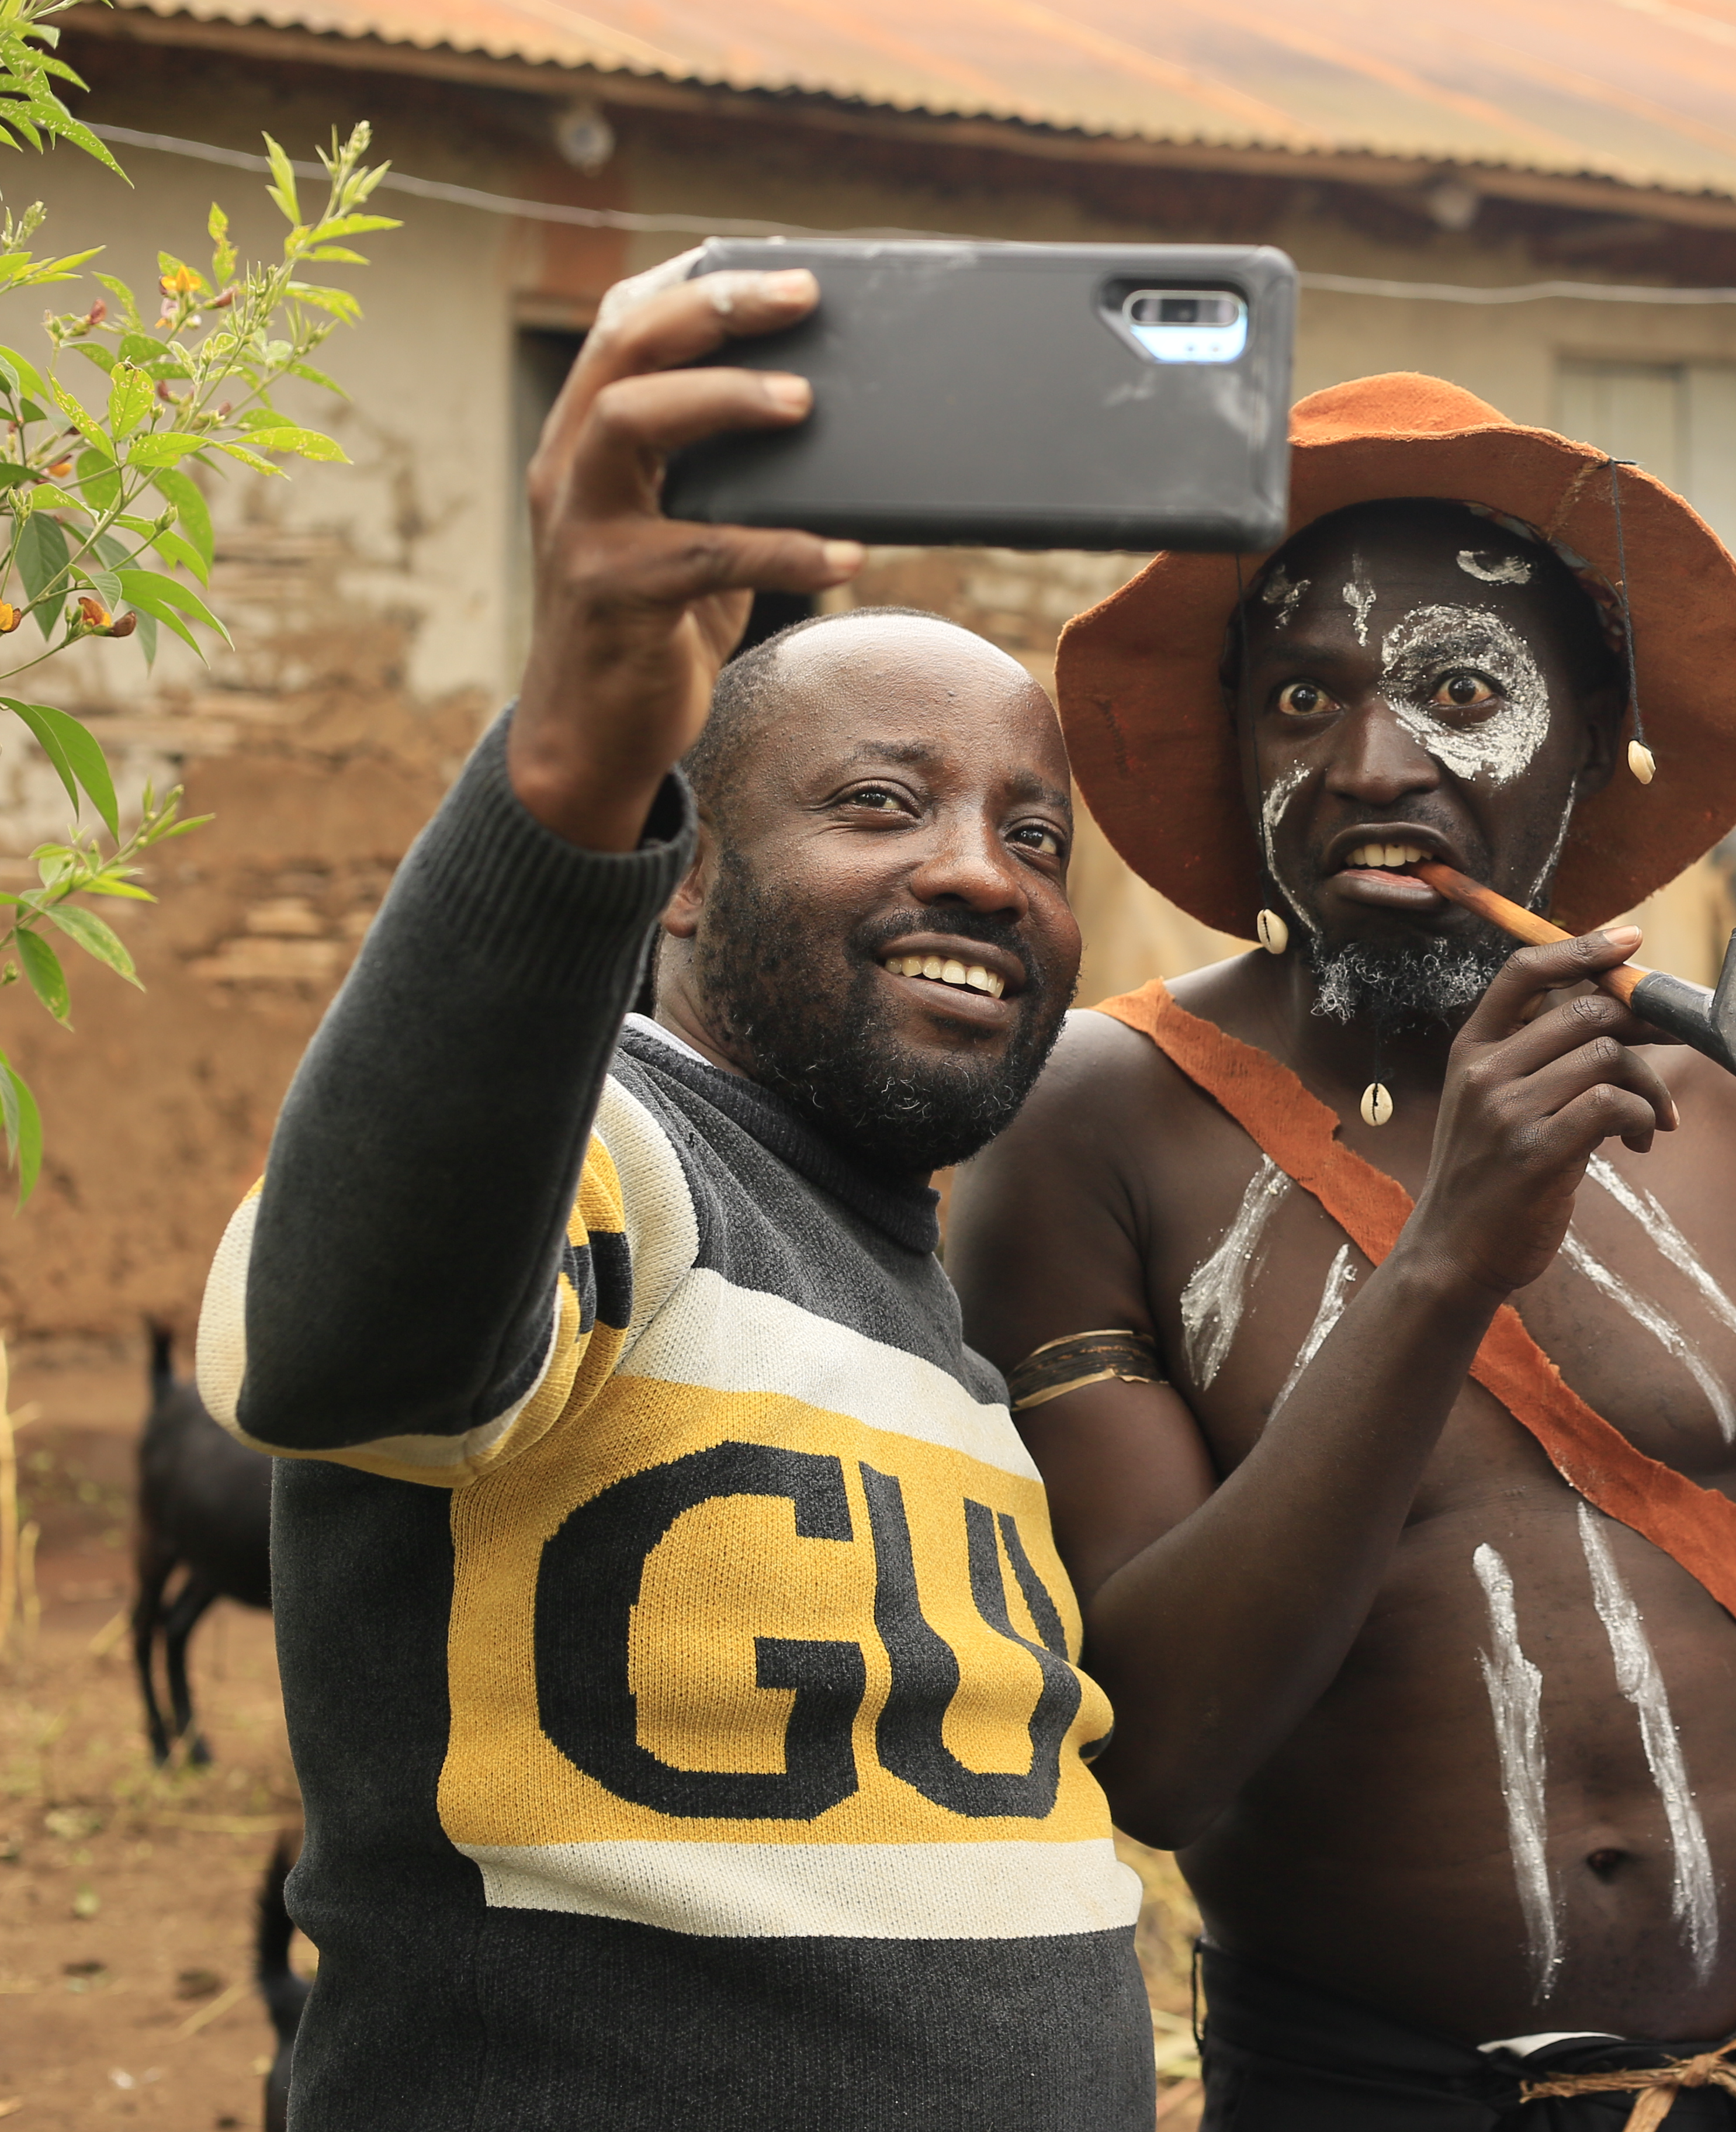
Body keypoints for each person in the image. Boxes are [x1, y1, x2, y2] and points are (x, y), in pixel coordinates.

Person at [950, 373, 1736, 2131]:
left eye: (1463, 694)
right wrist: (1447, 1258)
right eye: (1303, 697)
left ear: (1601, 732)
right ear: (1238, 745)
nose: (1372, 766)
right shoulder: (1098, 1127)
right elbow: (1158, 1753)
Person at [194, 255, 1153, 2128]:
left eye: (1035, 834)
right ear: (688, 876)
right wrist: (575, 757)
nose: (986, 872)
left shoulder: (933, 1325)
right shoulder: (619, 1151)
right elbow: (346, 1347)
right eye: (880, 802)